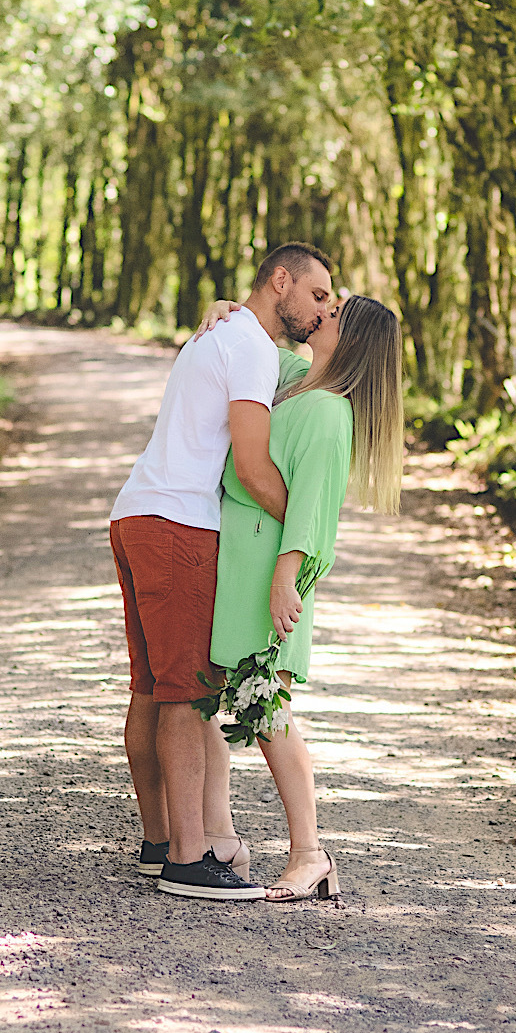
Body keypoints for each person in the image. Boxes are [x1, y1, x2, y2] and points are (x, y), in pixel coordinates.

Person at [108, 241, 334, 900]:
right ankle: (187, 857)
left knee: (151, 688)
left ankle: (158, 843)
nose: (322, 311)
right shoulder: (251, 348)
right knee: (183, 691)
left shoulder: (231, 335)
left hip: (137, 514)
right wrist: (304, 532)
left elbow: (317, 370)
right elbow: (251, 466)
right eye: (317, 296)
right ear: (281, 281)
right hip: (178, 524)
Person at [197, 292, 403, 902]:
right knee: (212, 697)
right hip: (236, 560)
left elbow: (312, 508)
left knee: (265, 710)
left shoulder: (327, 412)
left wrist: (286, 578)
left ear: (352, 340)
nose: (320, 316)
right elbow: (256, 345)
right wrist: (227, 309)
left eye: (333, 316)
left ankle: (310, 852)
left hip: (267, 571)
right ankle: (218, 835)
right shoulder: (294, 380)